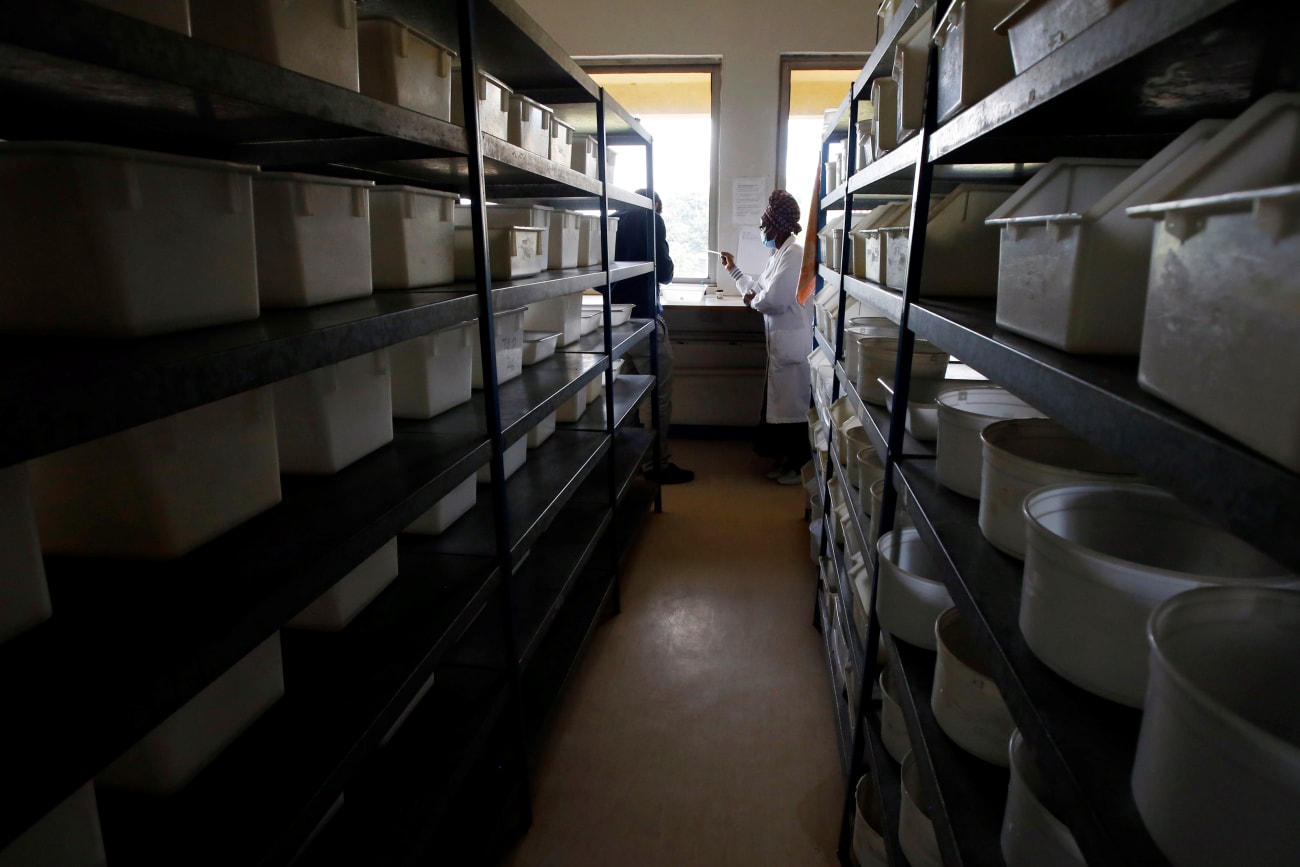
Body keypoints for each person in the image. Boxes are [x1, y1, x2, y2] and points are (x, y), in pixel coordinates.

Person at [720, 190, 812, 485]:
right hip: (780, 345)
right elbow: (757, 288)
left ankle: (799, 467)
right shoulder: (779, 255)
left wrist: (753, 300)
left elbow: (774, 300)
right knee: (779, 408)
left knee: (793, 411)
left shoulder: (795, 254)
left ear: (778, 225)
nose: (761, 229)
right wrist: (734, 270)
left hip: (792, 344)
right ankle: (787, 462)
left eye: (764, 224)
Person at [612, 189, 694, 485]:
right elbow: (666, 273)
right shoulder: (652, 219)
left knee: (625, 396)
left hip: (615, 323)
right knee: (659, 398)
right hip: (645, 322)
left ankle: (629, 461)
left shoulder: (611, 222)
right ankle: (657, 464)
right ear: (655, 205)